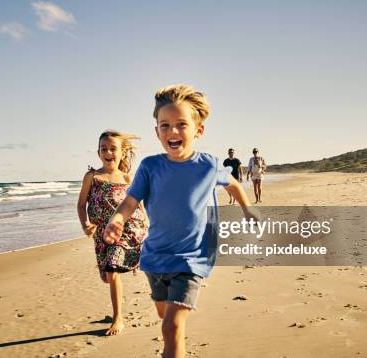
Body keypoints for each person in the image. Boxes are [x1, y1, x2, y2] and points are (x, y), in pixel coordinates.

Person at [103, 85, 257, 358]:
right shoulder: (150, 167)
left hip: (192, 259)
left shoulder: (208, 165)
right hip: (155, 259)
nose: (172, 131)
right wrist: (117, 218)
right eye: (165, 125)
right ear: (157, 131)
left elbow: (232, 184)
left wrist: (247, 210)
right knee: (167, 322)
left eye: (181, 125)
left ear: (199, 130)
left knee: (172, 326)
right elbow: (130, 201)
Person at [76, 130, 148, 336]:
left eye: (113, 149)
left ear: (122, 152)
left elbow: (139, 206)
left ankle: (118, 318)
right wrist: (85, 224)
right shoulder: (92, 176)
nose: (108, 152)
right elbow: (81, 205)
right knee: (106, 277)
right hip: (101, 235)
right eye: (104, 149)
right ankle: (117, 308)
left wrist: (148, 225)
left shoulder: (127, 178)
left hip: (126, 230)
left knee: (112, 269)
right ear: (98, 152)